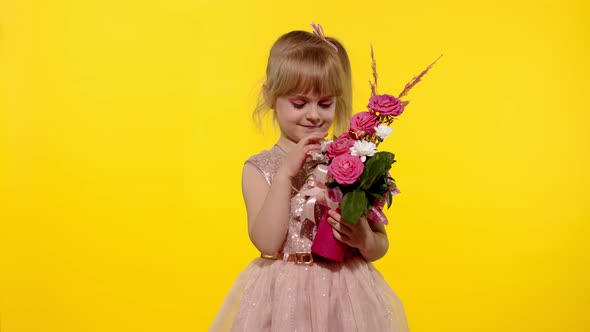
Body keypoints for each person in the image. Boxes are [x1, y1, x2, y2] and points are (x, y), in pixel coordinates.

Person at [210, 25, 409, 332]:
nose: (314, 115)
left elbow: (380, 244)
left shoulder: (349, 160)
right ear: (271, 97)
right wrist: (285, 174)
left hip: (345, 293)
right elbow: (265, 243)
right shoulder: (259, 168)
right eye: (300, 104)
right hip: (284, 297)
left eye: (325, 103)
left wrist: (365, 239)